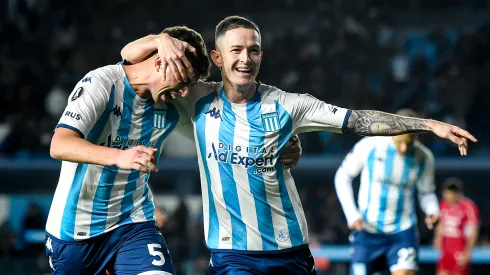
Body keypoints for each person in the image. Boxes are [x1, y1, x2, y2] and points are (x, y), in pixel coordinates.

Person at [121, 16, 477, 275]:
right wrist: (159, 39)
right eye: (236, 50)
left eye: (254, 50)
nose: (245, 58)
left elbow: (357, 120)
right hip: (231, 254)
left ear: (261, 56)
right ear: (217, 58)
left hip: (288, 248)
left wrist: (428, 125)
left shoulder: (290, 105)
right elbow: (130, 62)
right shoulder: (195, 98)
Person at [45, 26, 211, 275]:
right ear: (160, 62)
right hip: (75, 232)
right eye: (184, 80)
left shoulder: (173, 105)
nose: (185, 91)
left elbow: (220, 133)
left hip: (133, 224)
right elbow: (59, 144)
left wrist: (285, 145)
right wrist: (120, 156)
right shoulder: (102, 83)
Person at [334, 109, 440, 275]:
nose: (404, 148)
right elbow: (342, 176)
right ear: (393, 130)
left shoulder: (424, 157)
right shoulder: (371, 145)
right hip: (367, 230)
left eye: (410, 142)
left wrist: (432, 210)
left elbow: (426, 192)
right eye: (401, 141)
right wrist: (352, 214)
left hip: (402, 231)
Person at [434, 178, 480, 275]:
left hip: (460, 250)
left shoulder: (468, 207)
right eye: (449, 192)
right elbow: (440, 225)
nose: (451, 195)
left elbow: (473, 231)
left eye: (454, 192)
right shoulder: (443, 205)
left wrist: (467, 251)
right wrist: (438, 238)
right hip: (446, 250)